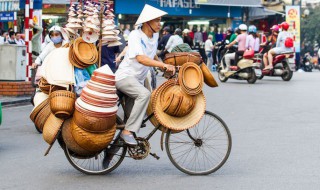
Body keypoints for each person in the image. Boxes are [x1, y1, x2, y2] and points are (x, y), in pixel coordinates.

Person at [114, 4, 175, 146]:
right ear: (147, 22)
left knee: (133, 122)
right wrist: (163, 65)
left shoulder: (155, 35)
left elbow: (151, 53)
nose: (160, 24)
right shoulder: (135, 35)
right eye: (157, 21)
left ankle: (112, 153)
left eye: (160, 20)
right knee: (145, 95)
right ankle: (127, 132)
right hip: (124, 77)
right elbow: (141, 58)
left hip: (137, 81)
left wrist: (162, 67)